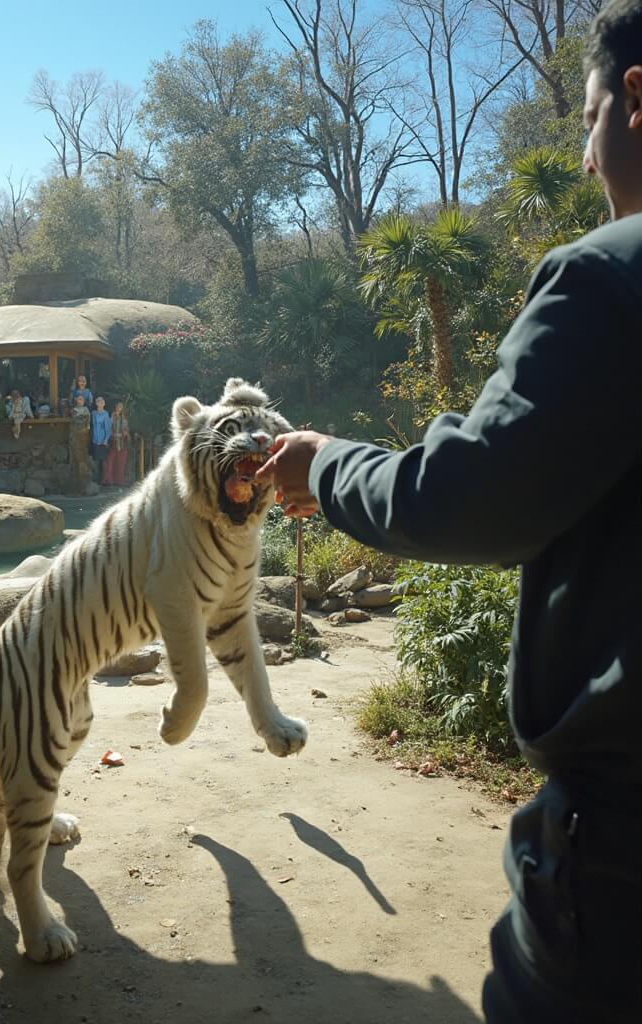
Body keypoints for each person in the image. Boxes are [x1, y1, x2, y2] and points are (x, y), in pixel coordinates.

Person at [255, 7, 642, 1021]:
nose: (585, 149)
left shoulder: (608, 279)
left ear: (637, 100)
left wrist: (327, 464)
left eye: (592, 114)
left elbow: (470, 495)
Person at [103, 400, 131, 486]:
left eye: (121, 407)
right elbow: (108, 428)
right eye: (118, 406)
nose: (119, 408)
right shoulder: (111, 417)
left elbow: (126, 429)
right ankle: (108, 480)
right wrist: (112, 434)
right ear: (115, 407)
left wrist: (125, 433)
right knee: (110, 462)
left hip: (122, 443)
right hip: (113, 442)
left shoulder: (124, 418)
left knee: (120, 463)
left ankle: (119, 481)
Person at [89, 395, 111, 481]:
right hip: (94, 439)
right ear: (96, 403)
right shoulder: (93, 413)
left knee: (102, 461)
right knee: (95, 460)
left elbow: (108, 429)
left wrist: (105, 440)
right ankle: (94, 480)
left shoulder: (105, 414)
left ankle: (102, 480)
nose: (100, 402)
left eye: (102, 401)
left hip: (102, 440)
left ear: (104, 404)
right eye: (98, 401)